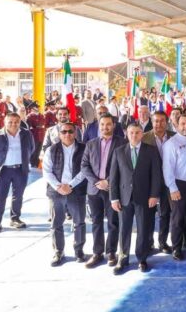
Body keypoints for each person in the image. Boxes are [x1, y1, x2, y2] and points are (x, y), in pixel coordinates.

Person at [110, 124, 161, 274]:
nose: (134, 135)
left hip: (144, 197)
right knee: (124, 229)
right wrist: (114, 198)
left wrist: (154, 195)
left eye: (137, 132)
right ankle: (122, 258)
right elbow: (114, 177)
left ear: (142, 134)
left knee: (143, 229)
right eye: (131, 132)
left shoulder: (151, 151)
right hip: (124, 198)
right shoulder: (119, 151)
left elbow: (156, 174)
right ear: (127, 133)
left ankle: (142, 259)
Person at [81, 113, 127, 268]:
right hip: (94, 189)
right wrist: (96, 182)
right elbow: (84, 165)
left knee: (113, 222)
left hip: (112, 189)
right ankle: (97, 253)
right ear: (98, 126)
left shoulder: (122, 143)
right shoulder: (90, 144)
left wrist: (108, 181)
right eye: (102, 124)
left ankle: (111, 252)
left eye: (108, 124)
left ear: (113, 125)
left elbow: (123, 166)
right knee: (96, 222)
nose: (105, 127)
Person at [43, 121, 88, 266]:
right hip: (56, 192)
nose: (67, 134)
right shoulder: (51, 150)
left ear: (75, 133)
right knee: (56, 223)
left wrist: (71, 185)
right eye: (64, 132)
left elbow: (85, 169)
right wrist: (59, 187)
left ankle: (79, 251)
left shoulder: (84, 149)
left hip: (77, 191)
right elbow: (47, 171)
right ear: (59, 134)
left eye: (70, 131)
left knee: (79, 222)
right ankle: (58, 252)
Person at [0, 113, 35, 235]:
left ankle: (15, 219)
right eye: (10, 122)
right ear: (5, 122)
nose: (13, 124)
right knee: (0, 198)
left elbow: (32, 148)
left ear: (20, 122)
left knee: (18, 196)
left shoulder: (26, 134)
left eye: (16, 122)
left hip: (20, 170)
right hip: (3, 171)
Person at [162, 114, 186, 260]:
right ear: (176, 125)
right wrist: (173, 188)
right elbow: (167, 168)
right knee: (178, 218)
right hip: (179, 184)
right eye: (183, 124)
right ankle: (176, 248)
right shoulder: (171, 144)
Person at [142, 111, 175, 253]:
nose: (159, 124)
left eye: (162, 121)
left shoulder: (174, 137)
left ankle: (163, 242)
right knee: (148, 214)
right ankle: (149, 242)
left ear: (167, 122)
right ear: (152, 121)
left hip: (169, 181)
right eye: (156, 121)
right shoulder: (144, 137)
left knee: (165, 213)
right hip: (149, 182)